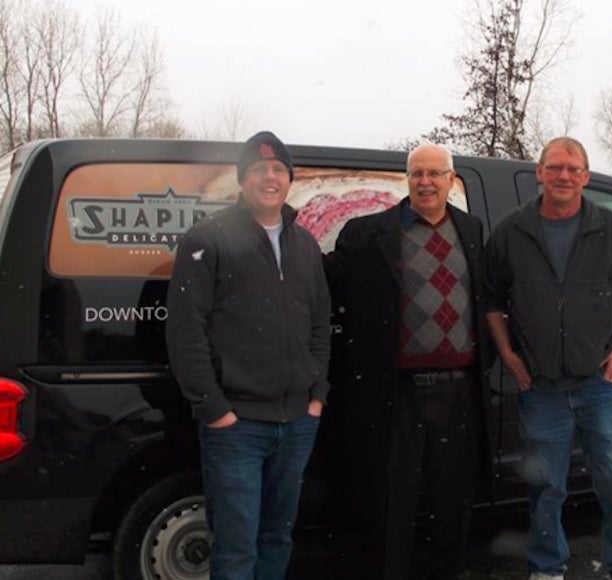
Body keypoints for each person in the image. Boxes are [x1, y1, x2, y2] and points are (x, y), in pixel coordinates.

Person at [483, 136, 612, 580]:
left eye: (573, 168)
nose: (563, 175)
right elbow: (488, 298)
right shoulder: (512, 231)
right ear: (539, 173)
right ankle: (547, 567)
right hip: (541, 389)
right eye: (555, 167)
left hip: (601, 385)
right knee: (545, 488)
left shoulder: (611, 229)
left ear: (585, 176)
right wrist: (508, 353)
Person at [166, 131, 331, 580]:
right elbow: (185, 330)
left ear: (289, 180)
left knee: (277, 539)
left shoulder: (306, 245)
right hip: (236, 426)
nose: (270, 177)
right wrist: (214, 407)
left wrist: (316, 395)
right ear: (242, 180)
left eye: (279, 169)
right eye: (259, 170)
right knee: (237, 550)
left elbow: (320, 323)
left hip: (297, 422)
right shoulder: (208, 238)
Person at [324, 143, 490, 580]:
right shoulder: (368, 235)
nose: (426, 182)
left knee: (451, 505)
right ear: (406, 179)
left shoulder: (472, 230)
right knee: (391, 506)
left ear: (452, 180)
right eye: (417, 173)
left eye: (435, 173)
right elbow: (320, 281)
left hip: (459, 391)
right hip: (395, 395)